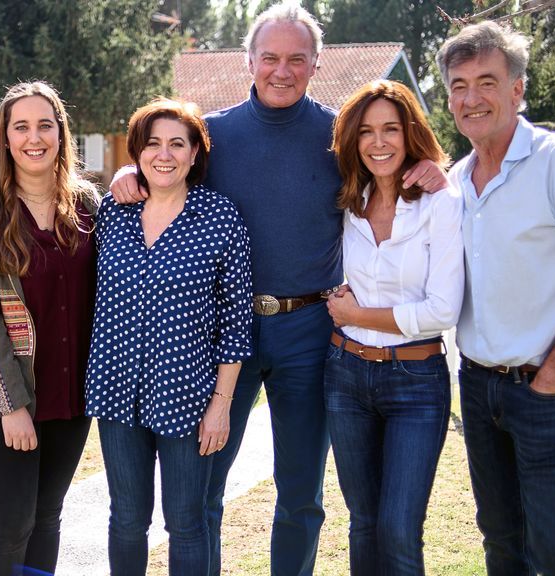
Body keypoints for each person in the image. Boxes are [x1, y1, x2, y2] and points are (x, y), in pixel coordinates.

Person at [110, 4, 445, 574]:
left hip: (310, 331)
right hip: (220, 339)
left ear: (316, 64)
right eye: (270, 58)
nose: (281, 70)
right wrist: (130, 175)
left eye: (296, 59)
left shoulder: (342, 135)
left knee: (300, 493)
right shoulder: (212, 135)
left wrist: (436, 168)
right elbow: (166, 173)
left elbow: (396, 164)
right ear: (249, 61)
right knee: (203, 491)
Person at [436, 21, 555, 575]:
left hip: (548, 391)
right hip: (478, 389)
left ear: (518, 89)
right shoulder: (457, 180)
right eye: (458, 85)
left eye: (487, 81)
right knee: (501, 547)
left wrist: (553, 378)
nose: (471, 98)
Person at [87, 97, 252, 575]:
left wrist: (221, 406)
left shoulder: (221, 218)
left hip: (188, 395)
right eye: (153, 143)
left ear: (196, 153)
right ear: (137, 153)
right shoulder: (112, 214)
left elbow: (235, 322)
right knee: (125, 520)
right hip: (117, 389)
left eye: (177, 143)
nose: (165, 154)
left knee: (186, 522)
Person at [0, 81, 99, 576]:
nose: (34, 137)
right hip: (8, 399)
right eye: (21, 127)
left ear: (61, 132)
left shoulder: (88, 206)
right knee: (13, 519)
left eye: (45, 125)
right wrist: (12, 407)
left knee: (49, 516)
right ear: (5, 138)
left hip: (71, 394)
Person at [325, 80, 462, 575]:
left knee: (400, 530)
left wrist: (356, 314)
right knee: (362, 522)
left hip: (416, 382)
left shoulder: (440, 203)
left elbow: (442, 310)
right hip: (345, 375)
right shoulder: (346, 202)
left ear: (410, 135)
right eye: (366, 132)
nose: (378, 142)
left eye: (390, 130)